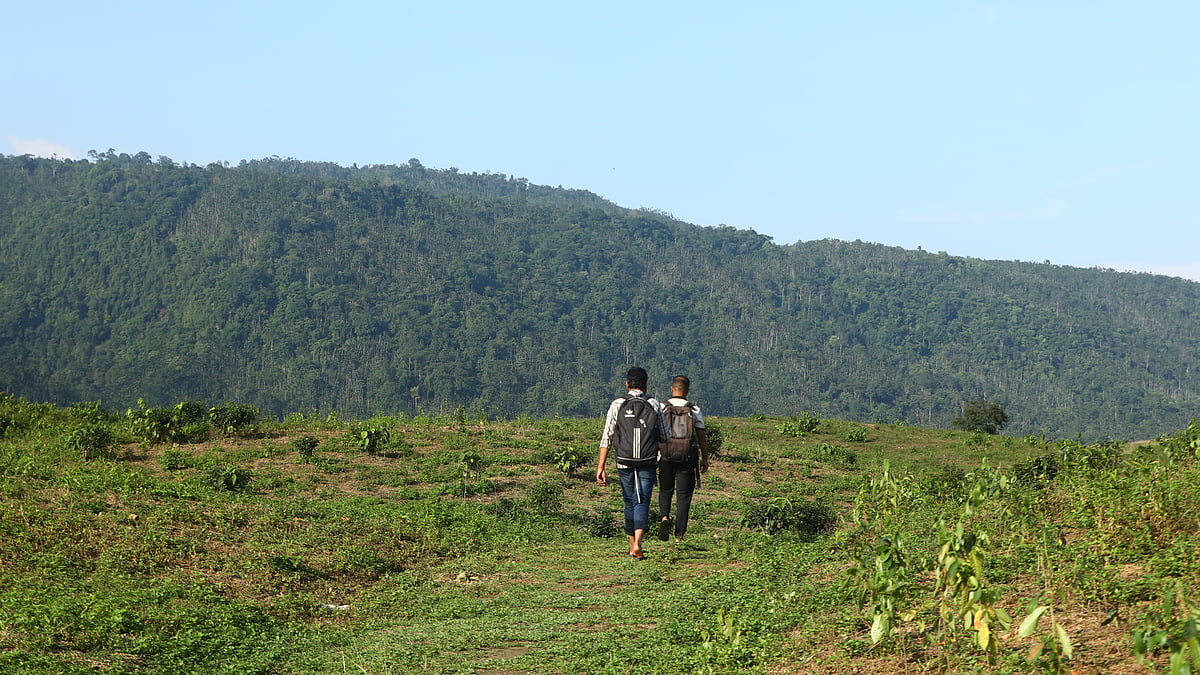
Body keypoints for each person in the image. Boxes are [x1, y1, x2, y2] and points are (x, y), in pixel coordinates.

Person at [596, 366, 665, 560]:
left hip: (624, 460)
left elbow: (607, 437)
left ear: (627, 384)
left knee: (628, 500)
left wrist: (601, 466)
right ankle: (638, 544)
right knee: (642, 499)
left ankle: (630, 544)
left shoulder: (618, 404)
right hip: (648, 460)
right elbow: (664, 435)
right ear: (646, 384)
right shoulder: (654, 404)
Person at [657, 375, 710, 542]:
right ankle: (679, 535)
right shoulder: (694, 410)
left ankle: (665, 517)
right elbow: (701, 435)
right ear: (687, 391)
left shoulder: (661, 407)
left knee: (665, 490)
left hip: (665, 455)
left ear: (672, 389)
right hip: (687, 457)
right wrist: (704, 458)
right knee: (684, 496)